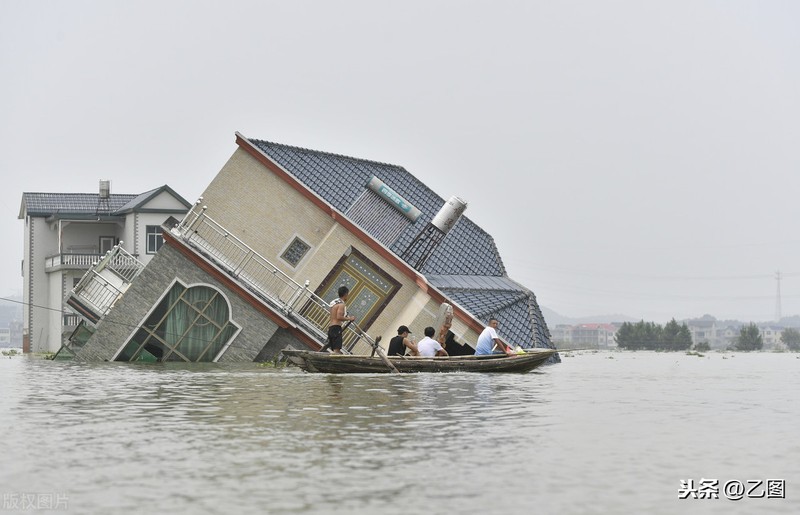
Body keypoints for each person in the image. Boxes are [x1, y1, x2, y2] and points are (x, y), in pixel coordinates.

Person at [320, 286, 355, 354]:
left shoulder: (335, 303)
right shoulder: (341, 305)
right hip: (336, 328)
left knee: (329, 348)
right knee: (337, 351)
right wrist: (349, 318)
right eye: (347, 294)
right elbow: (339, 317)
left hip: (331, 328)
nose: (347, 296)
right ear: (345, 294)